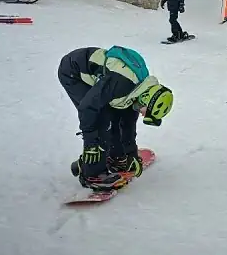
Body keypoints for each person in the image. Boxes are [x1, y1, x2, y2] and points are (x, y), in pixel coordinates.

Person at [59, 46, 174, 190]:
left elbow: (127, 124)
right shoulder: (122, 84)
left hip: (105, 80)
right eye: (147, 112)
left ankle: (117, 158)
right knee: (100, 120)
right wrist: (91, 142)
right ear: (146, 99)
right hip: (74, 72)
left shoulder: (137, 92)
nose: (144, 115)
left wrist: (130, 154)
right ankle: (93, 174)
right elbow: (87, 107)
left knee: (117, 116)